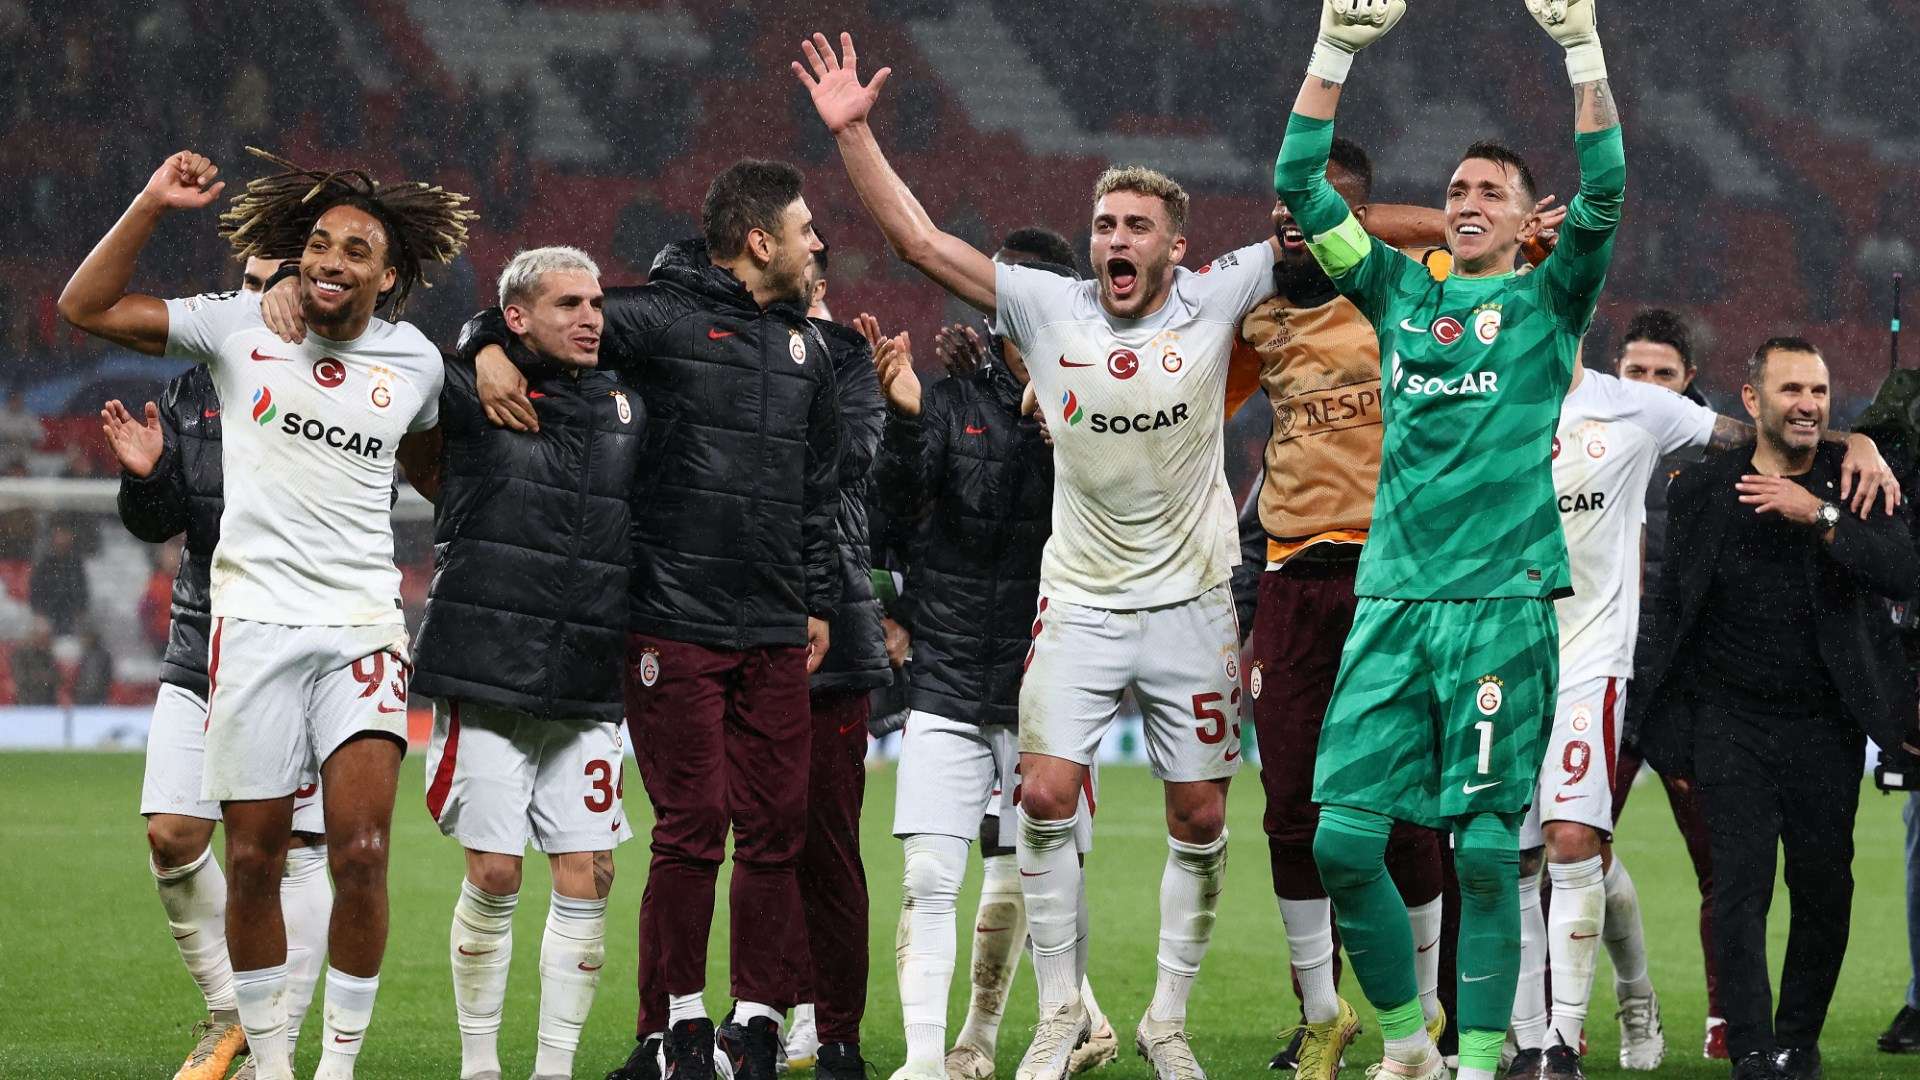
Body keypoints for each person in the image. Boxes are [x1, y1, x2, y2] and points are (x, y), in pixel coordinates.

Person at [798, 32, 1281, 1080]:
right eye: (1104, 223)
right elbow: (923, 241)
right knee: (1047, 797)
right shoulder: (1047, 303)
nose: (1114, 238)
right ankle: (1061, 1010)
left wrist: (1474, 234)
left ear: (1174, 246)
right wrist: (856, 136)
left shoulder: (1219, 298)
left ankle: (1165, 1019)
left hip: (1195, 602)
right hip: (1083, 602)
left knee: (1200, 814)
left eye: (1135, 226)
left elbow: (1331, 229)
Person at [58, 148, 473, 1080]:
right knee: (252, 859)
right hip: (248, 630)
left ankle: (336, 1068)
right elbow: (83, 307)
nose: (329, 260)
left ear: (389, 273)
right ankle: (271, 1065)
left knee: (362, 851)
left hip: (363, 628)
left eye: (354, 249)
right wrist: (153, 200)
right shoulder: (240, 326)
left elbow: (441, 475)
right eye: (317, 244)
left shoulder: (414, 362)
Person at [1274, 2, 1623, 1078]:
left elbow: (1605, 192)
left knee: (1480, 848)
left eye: (1490, 192)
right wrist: (1336, 48)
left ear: (1528, 224)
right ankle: (1404, 1041)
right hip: (1392, 600)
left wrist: (1582, 49)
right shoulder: (1394, 294)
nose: (1467, 201)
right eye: (1459, 188)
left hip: (1501, 605)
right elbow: (1299, 185)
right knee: (1340, 840)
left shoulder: (1549, 300)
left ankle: (1477, 1062)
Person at [460, 162, 841, 1080]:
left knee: (779, 825)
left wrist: (819, 596)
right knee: (692, 826)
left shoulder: (809, 349)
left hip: (775, 625)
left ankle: (753, 1022)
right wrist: (482, 345)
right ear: (760, 241)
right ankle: (676, 1024)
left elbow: (818, 488)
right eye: (803, 228)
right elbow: (535, 318)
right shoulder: (659, 318)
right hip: (671, 619)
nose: (817, 243)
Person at [1220, 139, 1456, 1080]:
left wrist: (1342, 219)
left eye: (1314, 207)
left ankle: (1428, 1012)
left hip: (1396, 579)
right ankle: (1323, 1015)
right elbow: (1188, 399)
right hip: (1290, 580)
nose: (1290, 222)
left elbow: (1469, 240)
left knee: (1404, 816)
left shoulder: (1407, 288)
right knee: (1290, 810)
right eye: (1282, 207)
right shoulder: (1260, 321)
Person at [1635, 338, 1920, 1080]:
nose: (1808, 404)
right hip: (1730, 723)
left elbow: (1901, 570)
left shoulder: (1856, 480)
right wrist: (1667, 734)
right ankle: (1754, 1052)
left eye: (1820, 392)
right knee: (1739, 889)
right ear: (1752, 398)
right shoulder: (1702, 488)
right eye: (1792, 389)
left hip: (1827, 725)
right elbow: (1672, 614)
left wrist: (1818, 513)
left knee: (1825, 889)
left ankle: (1798, 1040)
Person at [871, 259, 1115, 1080]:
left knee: (1035, 872)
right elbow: (892, 517)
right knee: (932, 870)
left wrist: (1069, 440)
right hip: (948, 668)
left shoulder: (1107, 406)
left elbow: (1128, 523)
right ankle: (922, 1059)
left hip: (1053, 678)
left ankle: (1020, 1026)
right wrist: (904, 422)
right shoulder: (949, 402)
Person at [401, 246, 641, 1080]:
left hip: (588, 673)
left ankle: (553, 1069)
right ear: (516, 317)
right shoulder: (470, 388)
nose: (590, 318)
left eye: (597, 303)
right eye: (568, 304)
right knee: (497, 873)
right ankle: (479, 1066)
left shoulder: (627, 400)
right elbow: (404, 357)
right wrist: (477, 346)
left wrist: (482, 339)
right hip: (487, 667)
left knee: (590, 873)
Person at [773, 241, 886, 1080]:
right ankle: (769, 1011)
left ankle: (834, 1025)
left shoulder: (850, 361)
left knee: (827, 844)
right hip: (734, 619)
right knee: (757, 843)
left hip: (833, 634)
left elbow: (842, 463)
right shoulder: (738, 350)